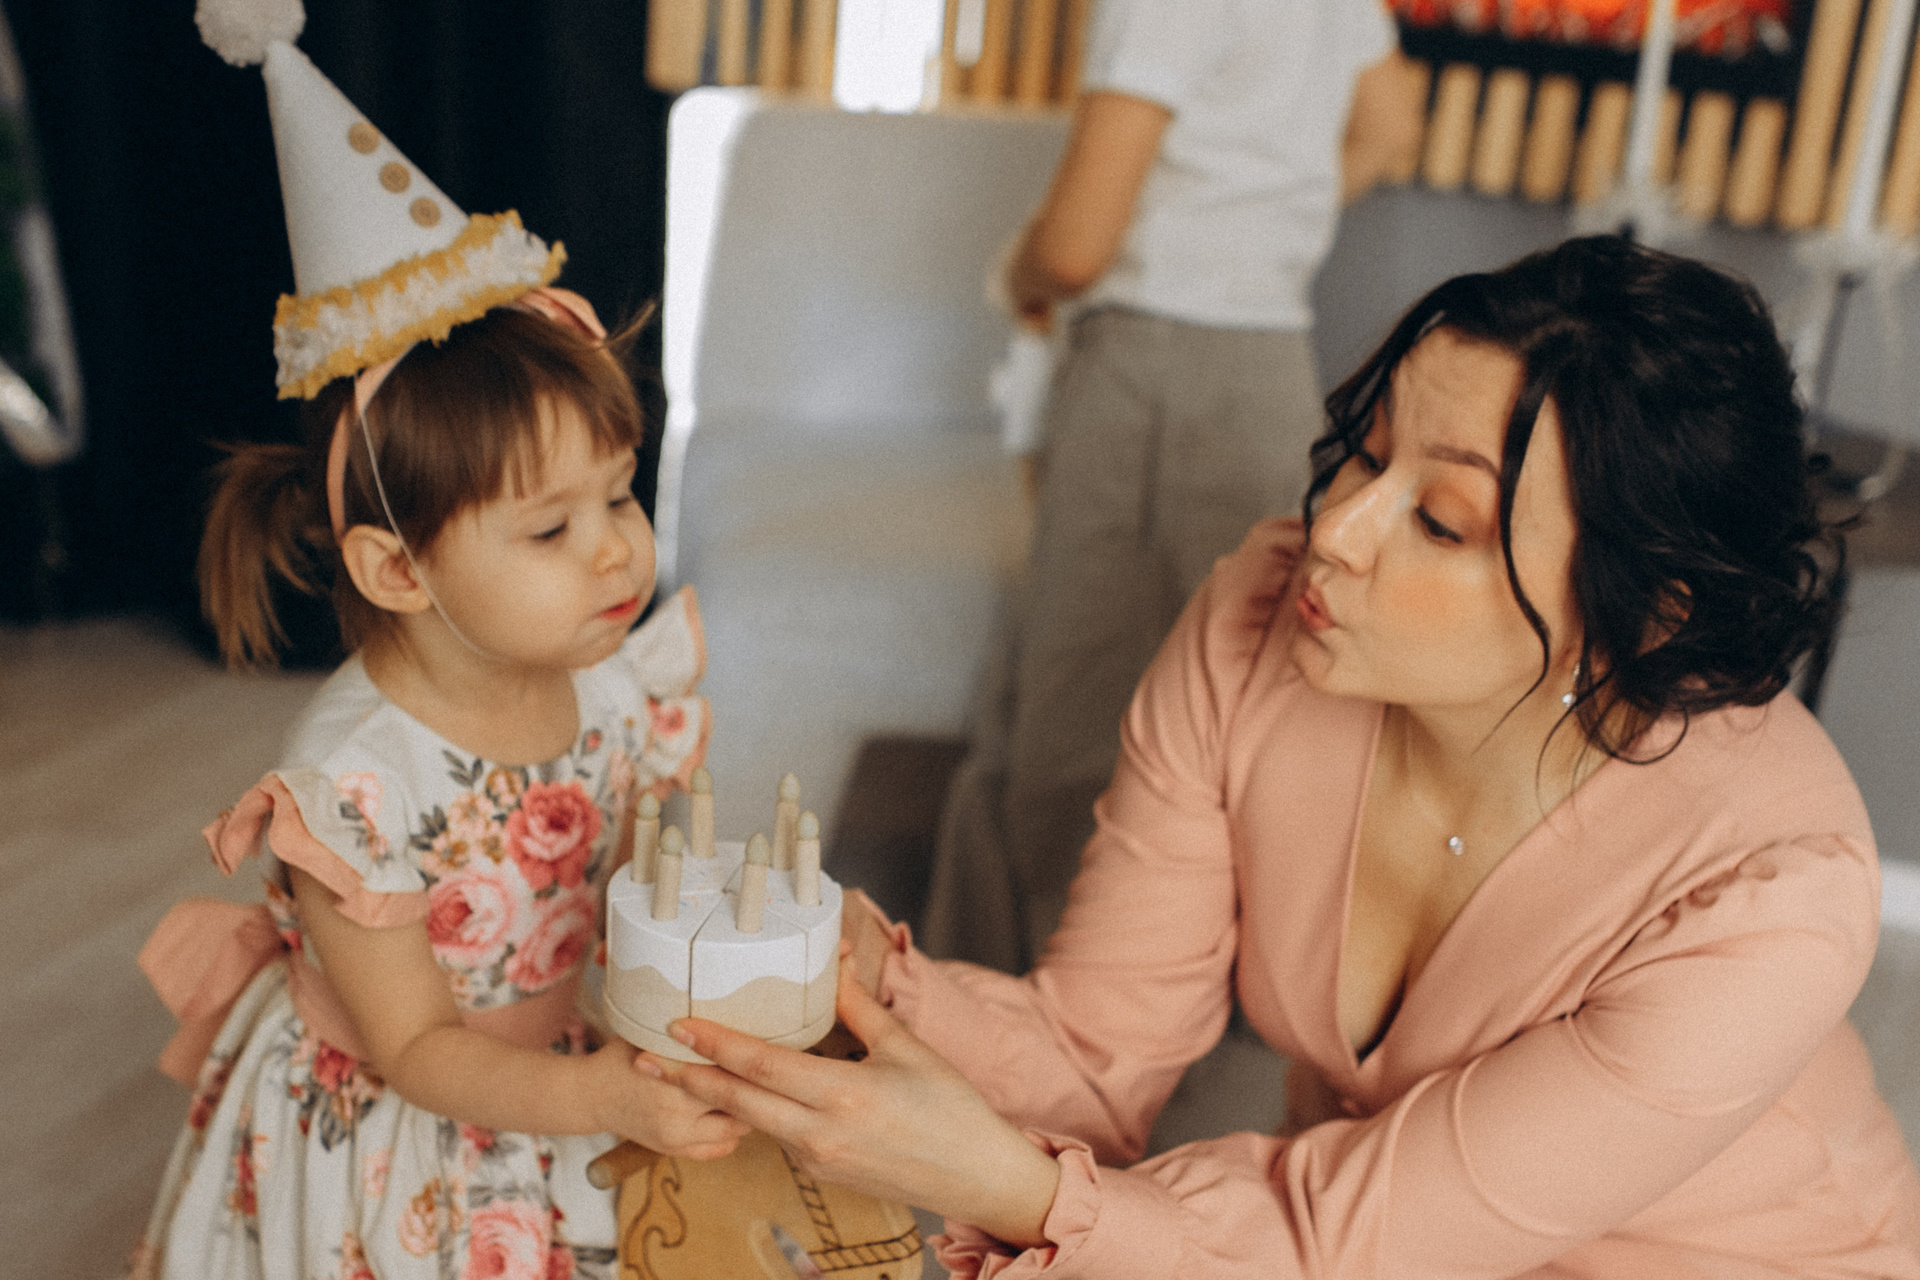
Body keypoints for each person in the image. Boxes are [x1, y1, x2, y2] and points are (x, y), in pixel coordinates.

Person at [648, 239, 1920, 1277]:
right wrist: (868, 979)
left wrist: (1012, 1185)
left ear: (1647, 612)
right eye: (1368, 451)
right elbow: (1097, 1056)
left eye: (1440, 520)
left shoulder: (1773, 890)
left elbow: (1331, 1240)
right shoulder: (1262, 623)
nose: (1337, 531)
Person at [133, 16, 745, 1278]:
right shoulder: (353, 787)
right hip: (398, 1144)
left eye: (620, 496)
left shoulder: (611, 681)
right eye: (551, 528)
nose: (617, 552)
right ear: (397, 569)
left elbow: (634, 868)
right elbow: (414, 1048)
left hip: (565, 1085)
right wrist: (605, 1096)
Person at [923, 0, 1426, 970]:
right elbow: (1389, 124)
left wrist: (1018, 275)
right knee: (1228, 719)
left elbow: (1075, 247)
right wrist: (1258, 232)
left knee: (1081, 727)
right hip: (1273, 360)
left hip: (1155, 368)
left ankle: (1045, 1022)